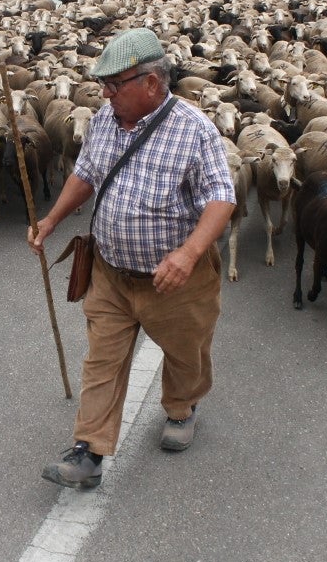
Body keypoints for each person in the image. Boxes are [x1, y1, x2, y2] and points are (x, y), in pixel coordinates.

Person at [30, 28, 236, 490]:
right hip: (111, 273)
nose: (105, 94)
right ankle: (89, 452)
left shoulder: (194, 129)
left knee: (186, 353)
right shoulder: (105, 120)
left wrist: (188, 254)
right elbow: (85, 173)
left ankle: (182, 408)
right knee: (102, 358)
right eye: (104, 85)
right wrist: (52, 220)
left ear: (150, 82)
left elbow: (221, 198)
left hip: (176, 280)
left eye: (114, 85)